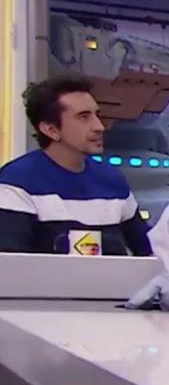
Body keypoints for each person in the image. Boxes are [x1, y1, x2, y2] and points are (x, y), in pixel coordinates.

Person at [0, 74, 151, 256]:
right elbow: (10, 264)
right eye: (83, 117)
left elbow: (148, 250)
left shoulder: (112, 180)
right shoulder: (16, 182)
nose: (99, 127)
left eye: (97, 115)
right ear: (51, 130)